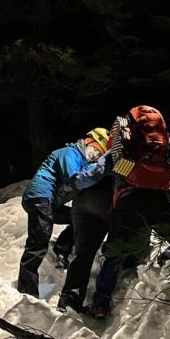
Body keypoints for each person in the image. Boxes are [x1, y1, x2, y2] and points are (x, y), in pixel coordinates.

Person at [90, 105, 170, 320]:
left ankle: (101, 303)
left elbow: (114, 167)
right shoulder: (159, 136)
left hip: (129, 198)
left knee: (114, 253)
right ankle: (168, 265)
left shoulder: (123, 130)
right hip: (158, 196)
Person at [17, 128, 113, 297]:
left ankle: (61, 248)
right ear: (90, 140)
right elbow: (74, 178)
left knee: (76, 218)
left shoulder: (79, 158)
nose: (96, 155)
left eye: (100, 154)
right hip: (41, 197)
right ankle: (26, 290)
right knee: (38, 242)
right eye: (98, 150)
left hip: (49, 201)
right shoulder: (70, 153)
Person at [57, 127, 116, 313]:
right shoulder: (125, 156)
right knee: (116, 252)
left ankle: (70, 295)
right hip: (107, 204)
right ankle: (101, 303)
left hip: (82, 203)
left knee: (83, 254)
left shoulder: (102, 154)